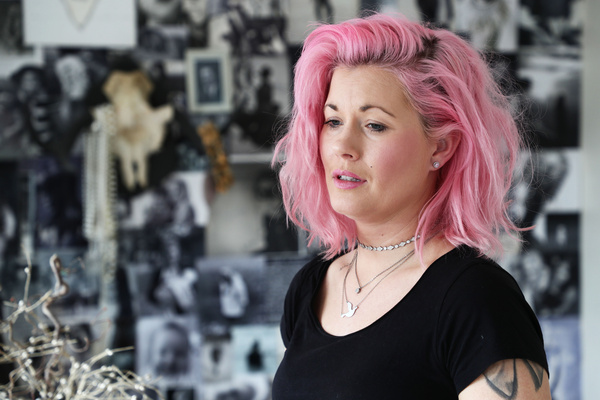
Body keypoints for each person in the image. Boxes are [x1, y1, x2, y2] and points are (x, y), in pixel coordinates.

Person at [271, 13, 551, 399]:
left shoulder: (477, 299)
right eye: (332, 121)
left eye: (374, 125)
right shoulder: (310, 288)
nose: (342, 146)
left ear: (440, 147)